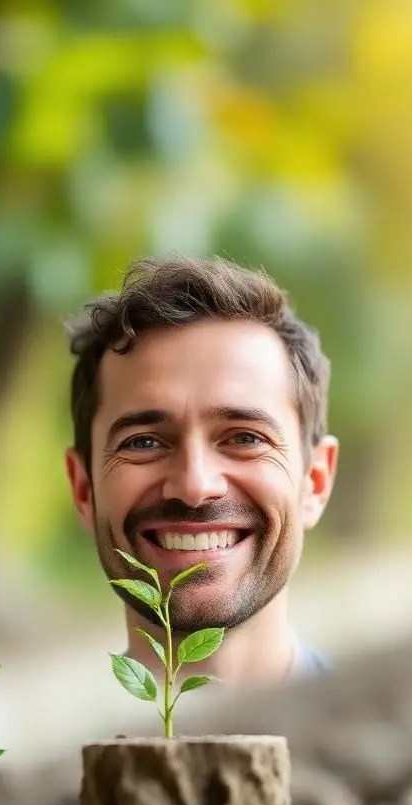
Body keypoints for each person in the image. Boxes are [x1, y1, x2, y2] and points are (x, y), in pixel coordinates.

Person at [64, 254, 339, 687]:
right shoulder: (2, 756)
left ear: (315, 483)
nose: (194, 486)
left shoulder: (405, 747)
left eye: (244, 438)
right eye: (144, 442)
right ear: (83, 489)